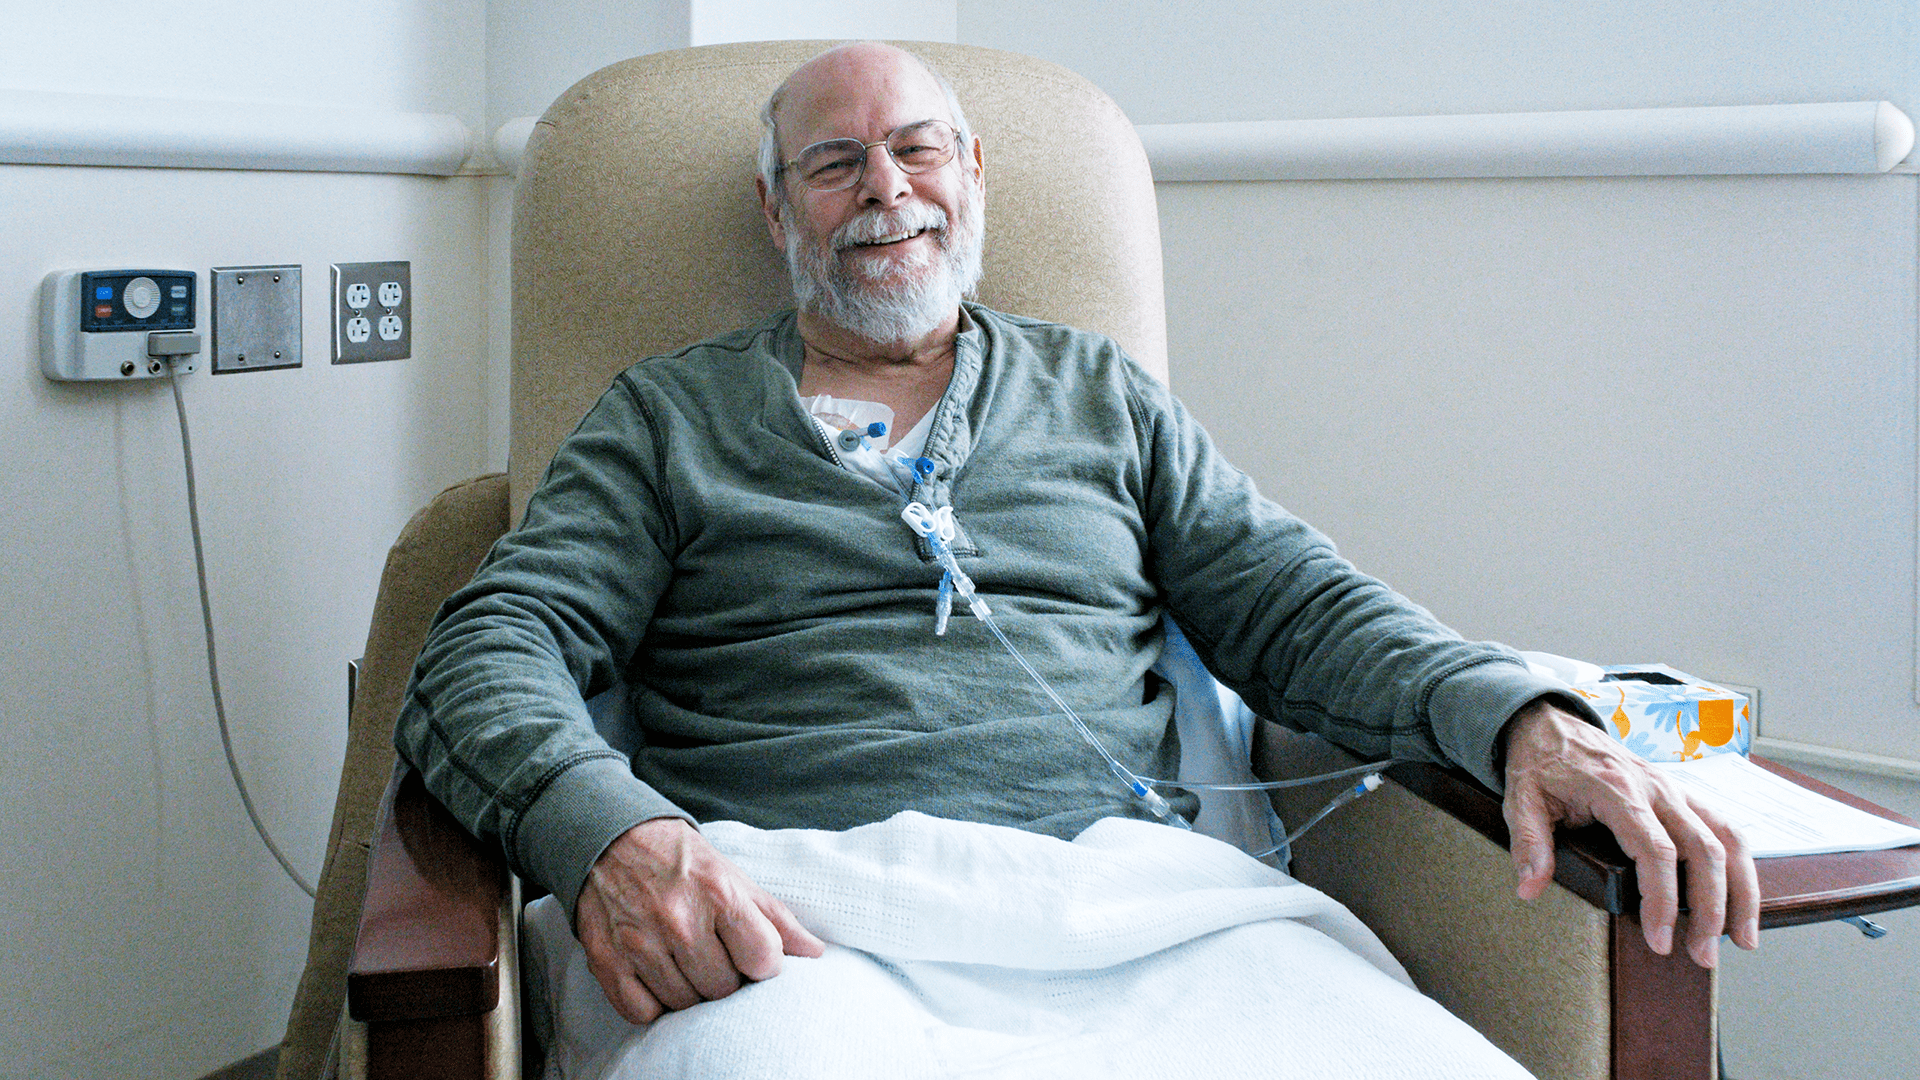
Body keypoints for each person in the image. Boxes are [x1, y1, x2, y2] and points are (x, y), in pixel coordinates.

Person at [397, 41, 1759, 1035]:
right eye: (833, 162)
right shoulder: (667, 418)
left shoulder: (1100, 394)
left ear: (974, 174)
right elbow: (486, 651)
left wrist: (1519, 715)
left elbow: (1295, 603)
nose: (887, 187)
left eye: (918, 146)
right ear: (776, 211)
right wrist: (608, 836)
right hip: (794, 926)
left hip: (1132, 907)